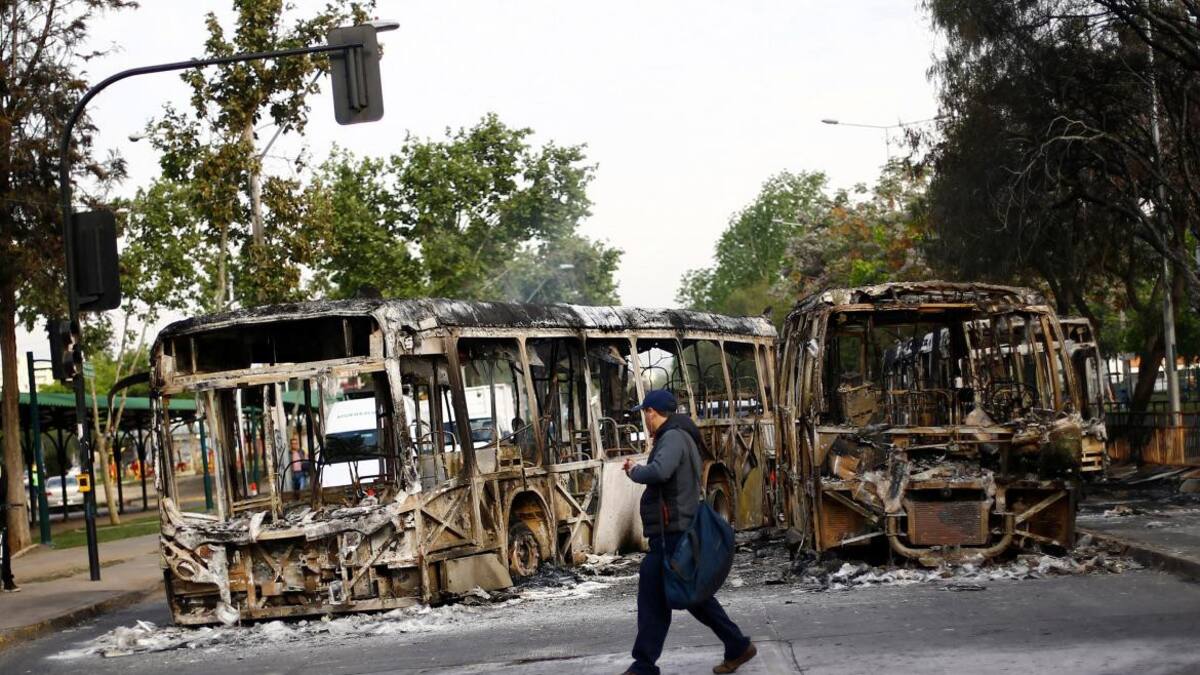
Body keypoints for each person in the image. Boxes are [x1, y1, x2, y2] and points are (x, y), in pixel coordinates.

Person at [620, 389, 755, 675]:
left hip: (672, 532)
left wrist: (634, 471)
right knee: (683, 595)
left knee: (670, 596)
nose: (645, 419)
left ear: (652, 412)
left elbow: (660, 471)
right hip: (671, 530)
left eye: (645, 413)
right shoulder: (678, 435)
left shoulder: (672, 437)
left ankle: (644, 665)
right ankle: (736, 645)